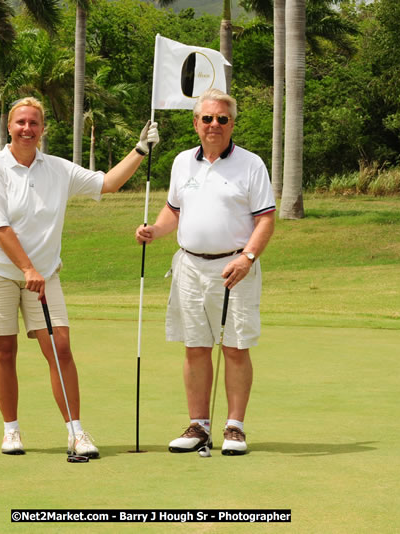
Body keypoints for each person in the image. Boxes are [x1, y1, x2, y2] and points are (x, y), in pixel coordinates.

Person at [0, 96, 159, 457]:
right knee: (4, 348)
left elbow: (106, 184)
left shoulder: (57, 169)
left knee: (60, 348)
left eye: (34, 123)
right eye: (20, 122)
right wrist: (26, 268)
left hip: (44, 274)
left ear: (43, 129)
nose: (27, 129)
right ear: (9, 127)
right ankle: (11, 430)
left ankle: (76, 432)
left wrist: (140, 149)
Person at [135, 89, 275, 455]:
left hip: (234, 267)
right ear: (196, 123)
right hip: (189, 266)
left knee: (235, 347)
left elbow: (266, 219)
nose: (215, 125)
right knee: (195, 347)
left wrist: (247, 258)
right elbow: (174, 211)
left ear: (232, 124)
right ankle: (198, 425)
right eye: (207, 119)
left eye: (222, 119)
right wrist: (155, 231)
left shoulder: (251, 164)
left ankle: (234, 427)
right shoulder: (183, 162)